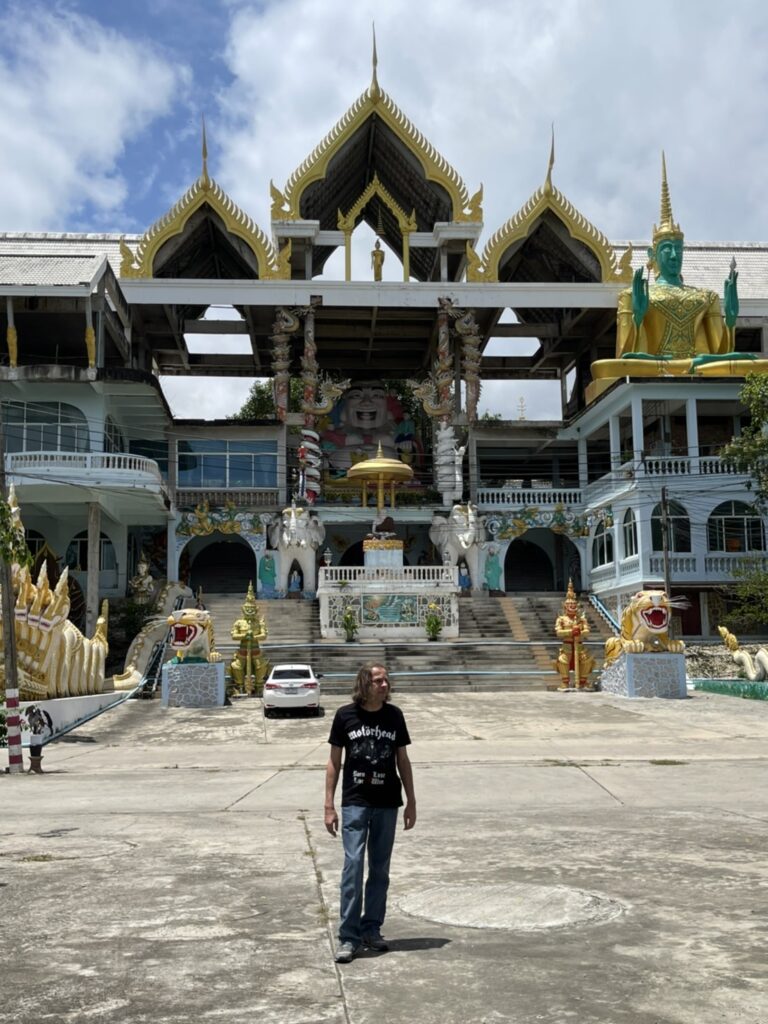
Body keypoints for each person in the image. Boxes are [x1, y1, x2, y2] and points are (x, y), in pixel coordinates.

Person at [324, 663, 416, 963]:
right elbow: (334, 763)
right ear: (365, 684)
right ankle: (348, 937)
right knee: (353, 866)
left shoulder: (394, 716)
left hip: (388, 802)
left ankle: (371, 928)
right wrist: (329, 805)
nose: (385, 685)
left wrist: (411, 800)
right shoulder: (345, 716)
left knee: (380, 869)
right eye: (378, 681)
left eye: (387, 680)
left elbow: (403, 760)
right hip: (355, 802)